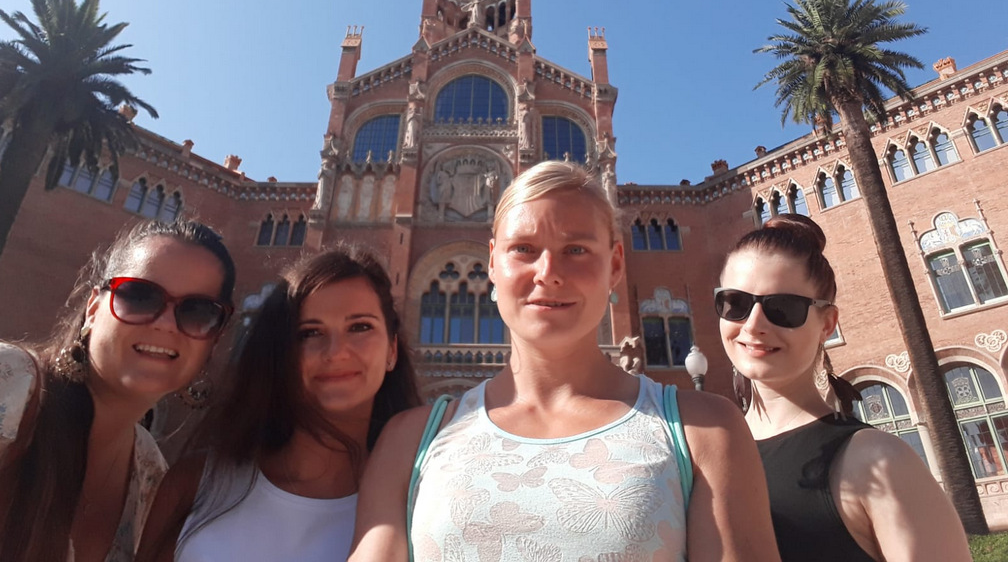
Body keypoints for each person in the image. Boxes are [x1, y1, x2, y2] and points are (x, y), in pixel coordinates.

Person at [350, 161, 781, 562]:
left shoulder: (704, 432)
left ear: (615, 265)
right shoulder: (408, 441)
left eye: (575, 249)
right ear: (492, 265)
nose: (548, 272)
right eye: (523, 248)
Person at [137, 247, 421, 562]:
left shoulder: (424, 503)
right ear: (280, 351)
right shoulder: (195, 482)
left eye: (360, 327)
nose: (336, 352)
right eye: (310, 333)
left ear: (392, 349)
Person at [716, 214, 971, 562]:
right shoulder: (704, 454)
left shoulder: (877, 461)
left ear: (828, 324)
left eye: (783, 308)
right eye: (736, 303)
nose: (753, 324)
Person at [0, 218, 236, 562]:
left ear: (214, 340)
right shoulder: (4, 381)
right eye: (140, 296)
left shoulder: (150, 475)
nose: (165, 324)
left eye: (198, 311)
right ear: (93, 309)